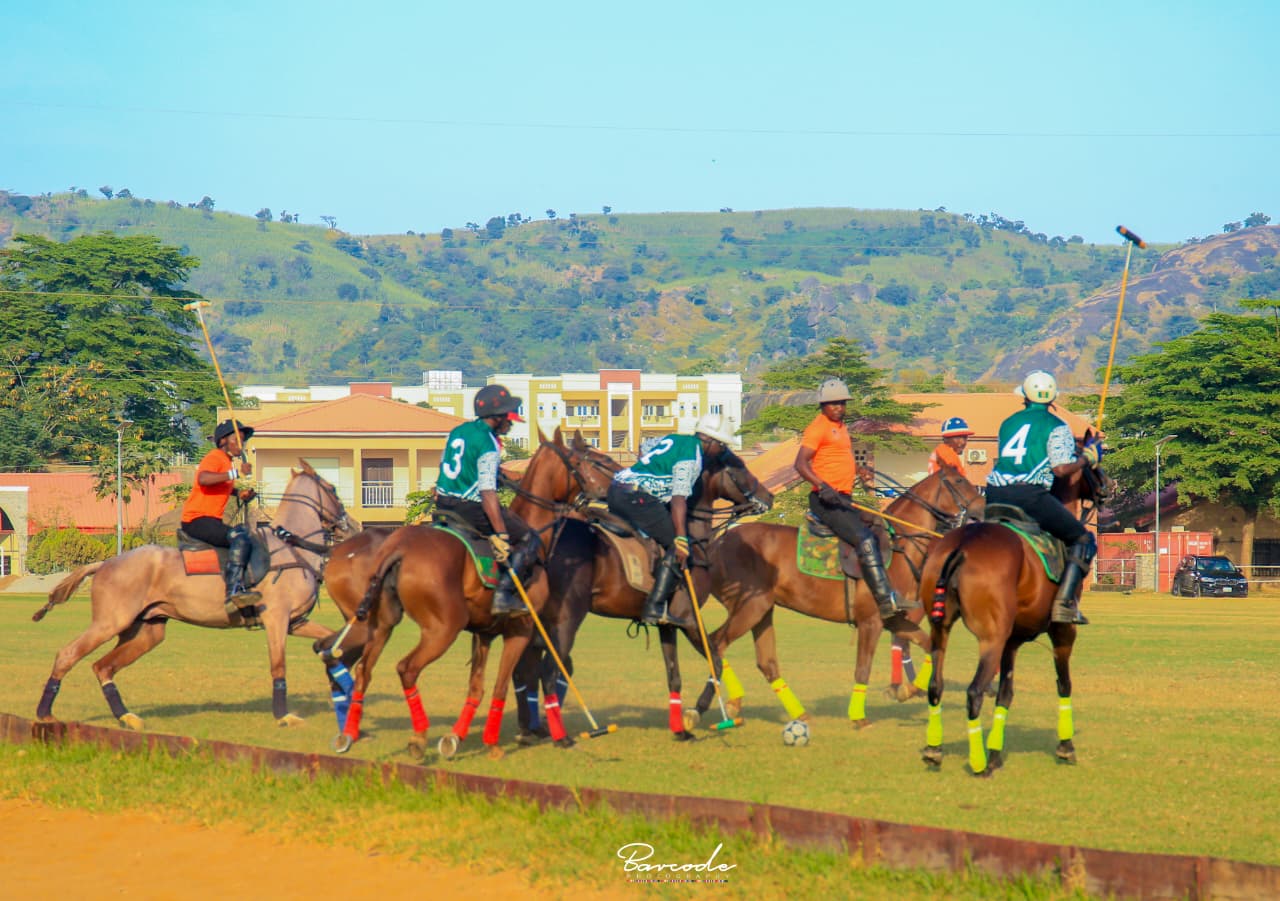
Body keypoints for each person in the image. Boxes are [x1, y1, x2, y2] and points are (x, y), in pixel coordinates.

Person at [795, 378, 916, 620]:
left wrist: (858, 470)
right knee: (866, 540)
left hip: (843, 498)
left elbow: (839, 458)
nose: (840, 407)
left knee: (879, 525)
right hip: (825, 500)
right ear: (823, 405)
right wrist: (821, 485)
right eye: (834, 403)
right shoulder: (817, 428)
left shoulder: (841, 428)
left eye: (842, 403)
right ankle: (885, 600)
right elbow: (800, 463)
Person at [985, 370, 1100, 625]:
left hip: (993, 493)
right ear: (1052, 399)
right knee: (1082, 538)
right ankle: (1064, 604)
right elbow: (1060, 469)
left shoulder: (1009, 422)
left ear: (1024, 396)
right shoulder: (1056, 426)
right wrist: (1086, 459)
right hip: (1029, 495)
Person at [607, 413, 737, 627]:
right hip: (637, 498)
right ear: (710, 441)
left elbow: (645, 451)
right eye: (721, 446)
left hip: (616, 489)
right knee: (675, 546)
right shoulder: (692, 458)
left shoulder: (675, 438)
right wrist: (680, 538)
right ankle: (654, 607)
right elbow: (678, 500)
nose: (721, 451)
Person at [434, 383, 534, 618]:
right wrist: (501, 534)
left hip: (442, 505)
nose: (510, 423)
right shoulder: (488, 443)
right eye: (507, 417)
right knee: (531, 538)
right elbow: (487, 493)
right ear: (497, 417)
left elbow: (448, 466)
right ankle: (505, 596)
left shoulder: (459, 431)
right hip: (470, 508)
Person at [180, 419, 261, 620]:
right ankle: (233, 592)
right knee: (239, 537)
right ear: (223, 441)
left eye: (243, 441)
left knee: (242, 534)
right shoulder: (215, 457)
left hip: (210, 520)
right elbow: (204, 479)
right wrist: (236, 473)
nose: (241, 445)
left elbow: (219, 485)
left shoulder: (226, 462)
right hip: (197, 519)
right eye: (237, 440)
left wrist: (239, 493)